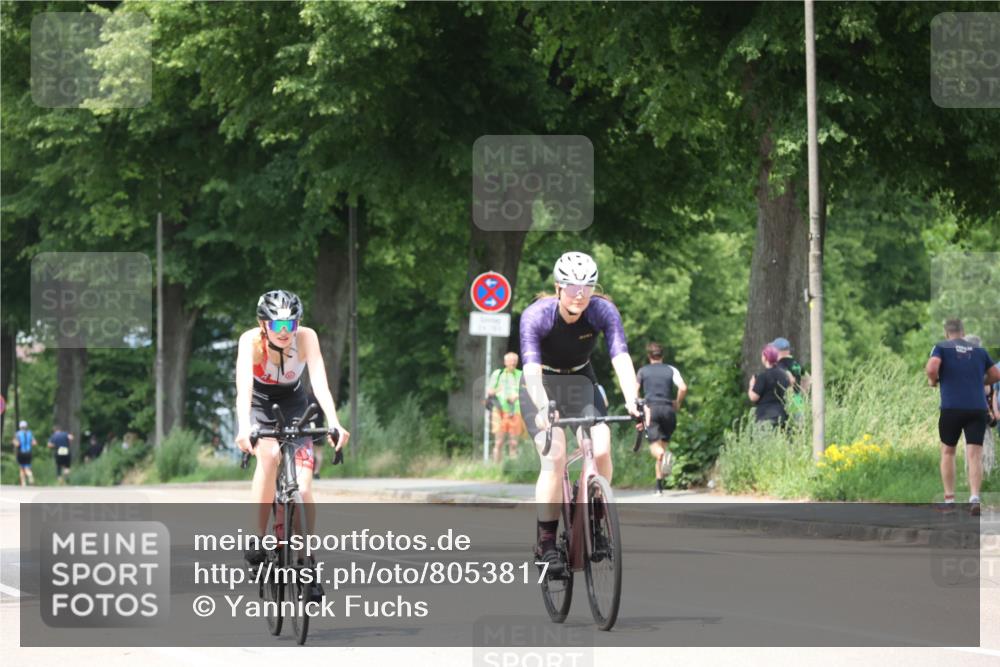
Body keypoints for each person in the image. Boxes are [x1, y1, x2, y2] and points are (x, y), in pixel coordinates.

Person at [519, 252, 640, 565]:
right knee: (555, 456)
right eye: (572, 287)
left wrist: (633, 399)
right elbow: (531, 370)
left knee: (601, 448)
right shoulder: (537, 315)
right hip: (542, 383)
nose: (580, 294)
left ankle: (595, 516)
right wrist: (544, 406)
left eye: (587, 286)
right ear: (558, 287)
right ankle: (546, 543)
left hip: (581, 379)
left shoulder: (603, 311)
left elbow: (621, 357)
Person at [235, 290, 350, 584]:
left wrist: (335, 422)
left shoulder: (306, 337)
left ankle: (306, 561)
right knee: (270, 456)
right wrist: (243, 427)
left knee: (305, 488)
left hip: (295, 403)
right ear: (264, 325)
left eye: (291, 324)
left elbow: (320, 383)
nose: (285, 332)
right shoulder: (249, 341)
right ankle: (257, 540)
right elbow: (244, 389)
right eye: (277, 326)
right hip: (260, 405)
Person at [925, 319, 1000, 516]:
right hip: (977, 408)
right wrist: (980, 381)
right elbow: (996, 374)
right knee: (974, 454)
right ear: (963, 332)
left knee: (948, 452)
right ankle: (974, 498)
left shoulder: (941, 347)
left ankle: (950, 500)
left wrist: (933, 381)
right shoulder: (978, 350)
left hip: (952, 408)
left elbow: (932, 368)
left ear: (946, 333)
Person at [636, 342, 687, 496]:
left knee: (655, 448)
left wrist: (639, 406)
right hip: (668, 410)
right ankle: (659, 487)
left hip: (652, 410)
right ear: (662, 355)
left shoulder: (643, 371)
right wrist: (677, 402)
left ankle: (665, 457)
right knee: (662, 449)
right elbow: (683, 387)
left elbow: (634, 390)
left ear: (649, 356)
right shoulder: (671, 369)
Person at [487, 352, 524, 464]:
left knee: (514, 443)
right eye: (510, 361)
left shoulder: (521, 374)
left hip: (516, 411)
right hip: (499, 411)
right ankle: (496, 467)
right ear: (505, 362)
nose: (512, 363)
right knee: (499, 442)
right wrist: (500, 389)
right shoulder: (498, 374)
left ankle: (513, 468)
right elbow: (489, 391)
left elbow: (527, 391)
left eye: (514, 361)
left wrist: (516, 396)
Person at [748, 345, 793, 428]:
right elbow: (790, 388)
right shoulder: (784, 375)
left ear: (765, 358)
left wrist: (751, 385)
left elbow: (753, 397)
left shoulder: (763, 376)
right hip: (782, 416)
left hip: (765, 416)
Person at [771, 337, 809, 419]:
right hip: (798, 399)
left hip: (787, 400)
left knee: (787, 427)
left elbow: (788, 376)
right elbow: (807, 378)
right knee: (800, 427)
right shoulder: (796, 363)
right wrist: (803, 393)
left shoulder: (780, 364)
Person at [12, 420, 36, 486]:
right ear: (26, 426)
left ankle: (23, 483)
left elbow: (16, 444)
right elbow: (34, 443)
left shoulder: (17, 434)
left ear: (20, 426)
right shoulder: (30, 433)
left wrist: (15, 443)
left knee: (22, 468)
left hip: (21, 453)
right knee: (27, 467)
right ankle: (30, 475)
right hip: (29, 453)